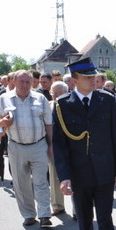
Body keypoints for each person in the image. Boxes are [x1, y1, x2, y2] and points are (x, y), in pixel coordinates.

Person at [52, 57, 116, 230]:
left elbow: (115, 139)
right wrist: (64, 176)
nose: (93, 80)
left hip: (104, 172)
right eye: (87, 77)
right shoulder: (62, 105)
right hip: (79, 175)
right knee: (84, 223)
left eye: (94, 76)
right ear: (74, 80)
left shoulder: (107, 100)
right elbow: (60, 145)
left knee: (105, 221)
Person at [0, 70, 53, 228]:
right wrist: (1, 123)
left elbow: (48, 123)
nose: (25, 85)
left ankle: (44, 215)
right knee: (21, 183)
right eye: (22, 81)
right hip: (16, 146)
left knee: (41, 182)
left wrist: (51, 145)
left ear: (32, 82)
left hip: (39, 145)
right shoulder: (4, 98)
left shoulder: (40, 98)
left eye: (28, 82)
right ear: (14, 82)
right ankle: (29, 215)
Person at [48, 81, 69, 215]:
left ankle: (77, 209)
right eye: (53, 93)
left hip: (71, 146)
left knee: (75, 177)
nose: (55, 96)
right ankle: (57, 205)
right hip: (53, 146)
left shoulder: (72, 105)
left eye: (58, 93)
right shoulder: (48, 106)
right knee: (54, 175)